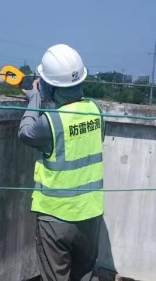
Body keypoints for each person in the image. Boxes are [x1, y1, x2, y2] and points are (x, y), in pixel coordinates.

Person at [18, 43, 105, 281]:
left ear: (52, 86)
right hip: (89, 214)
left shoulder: (51, 122)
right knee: (85, 275)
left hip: (55, 218)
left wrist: (34, 99)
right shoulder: (96, 110)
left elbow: (25, 133)